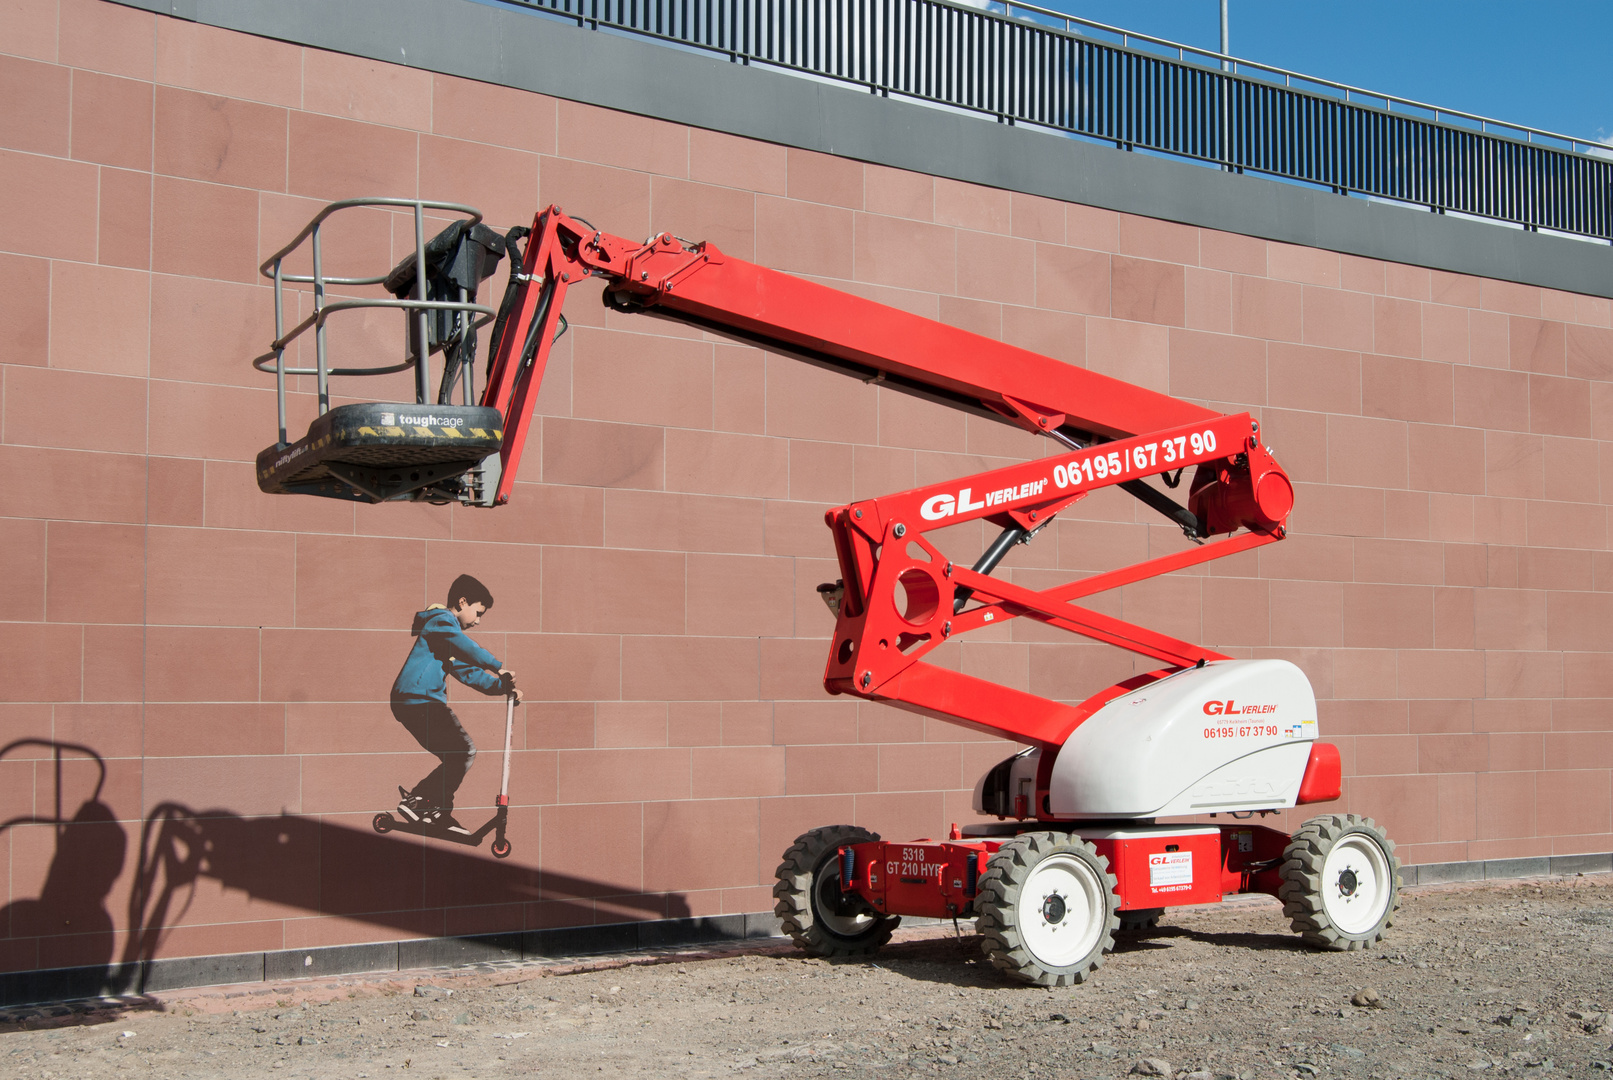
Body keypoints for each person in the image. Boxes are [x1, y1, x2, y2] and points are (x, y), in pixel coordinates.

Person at [391, 574, 521, 834]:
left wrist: (502, 687)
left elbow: (468, 672)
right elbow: (465, 647)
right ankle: (421, 801)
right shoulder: (441, 621)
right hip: (419, 700)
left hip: (415, 702)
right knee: (463, 751)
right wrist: (497, 666)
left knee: (457, 755)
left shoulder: (446, 637)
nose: (478, 620)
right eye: (478, 612)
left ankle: (433, 809)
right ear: (462, 602)